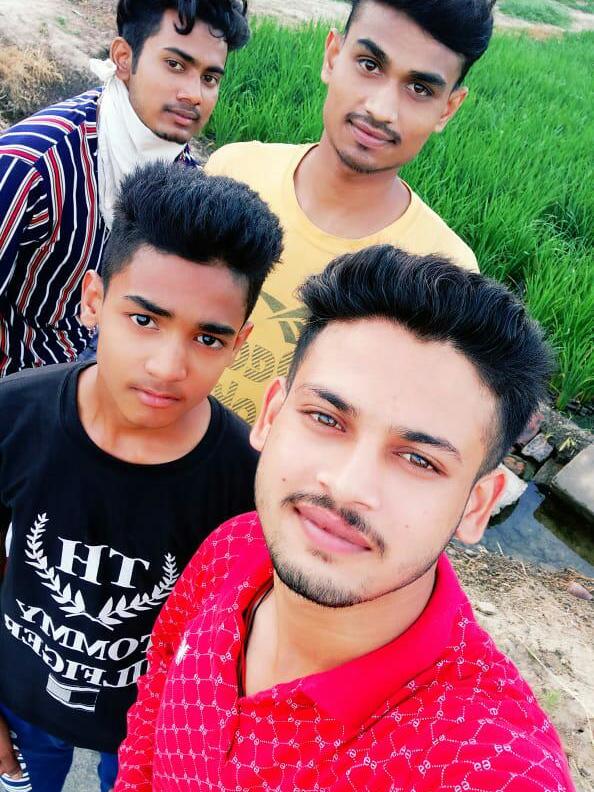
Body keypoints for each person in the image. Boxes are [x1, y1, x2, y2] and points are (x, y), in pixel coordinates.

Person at [114, 246, 574, 791]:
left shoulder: (489, 769)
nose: (349, 486)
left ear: (477, 505)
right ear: (270, 416)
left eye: (419, 460)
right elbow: (151, 711)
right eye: (326, 419)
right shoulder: (233, 547)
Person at [0, 161, 283, 791]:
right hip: (18, 696)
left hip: (150, 731)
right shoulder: (14, 414)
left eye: (207, 339)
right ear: (94, 300)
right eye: (145, 320)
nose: (167, 366)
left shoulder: (247, 480)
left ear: (240, 343)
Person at [206, 0, 495, 423]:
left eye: (419, 89)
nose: (381, 109)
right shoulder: (233, 172)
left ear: (448, 109)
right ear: (332, 56)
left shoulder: (440, 273)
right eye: (369, 65)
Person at [0, 0, 249, 376]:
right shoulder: (34, 165)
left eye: (210, 78)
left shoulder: (181, 179)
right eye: (175, 65)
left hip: (100, 370)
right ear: (123, 58)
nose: (194, 94)